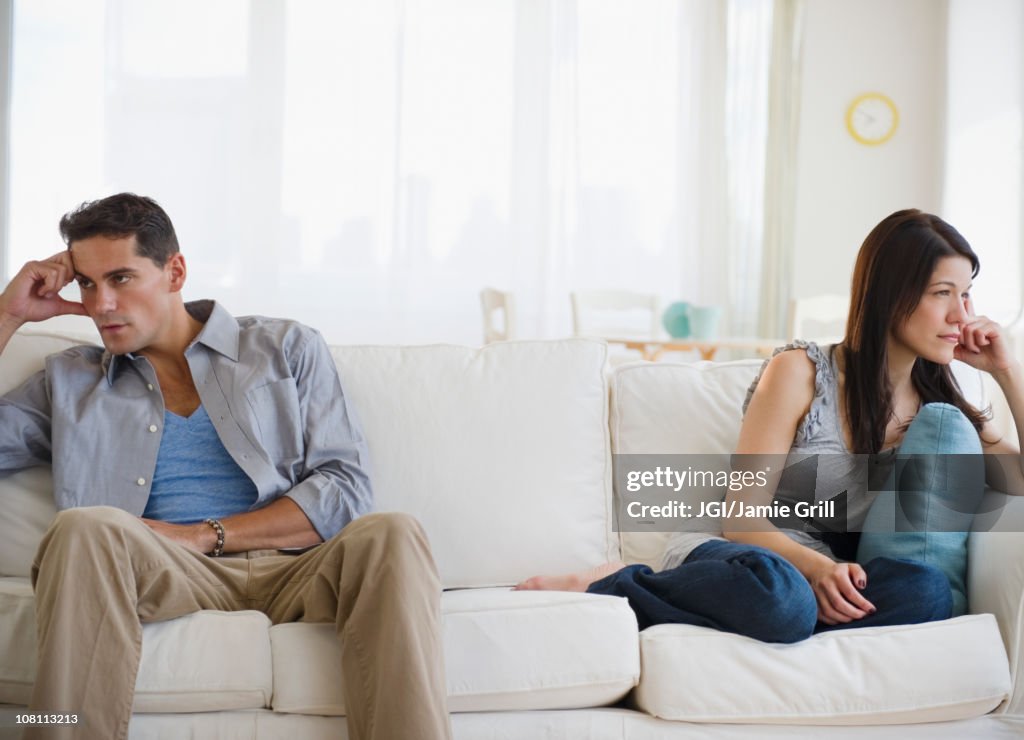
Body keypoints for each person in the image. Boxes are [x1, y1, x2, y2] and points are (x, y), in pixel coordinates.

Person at [0, 194, 452, 740]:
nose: (101, 304)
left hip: (297, 567)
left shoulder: (286, 348)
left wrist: (200, 535)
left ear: (175, 271)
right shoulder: (70, 382)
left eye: (121, 278)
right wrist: (9, 315)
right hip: (159, 569)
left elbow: (344, 489)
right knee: (83, 527)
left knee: (393, 533)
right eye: (88, 284)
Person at [517, 208, 1024, 643]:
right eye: (943, 293)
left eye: (968, 295)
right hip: (746, 557)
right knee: (782, 600)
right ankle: (616, 585)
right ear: (892, 295)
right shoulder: (801, 372)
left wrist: (1007, 370)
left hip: (825, 580)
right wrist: (816, 570)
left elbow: (1019, 484)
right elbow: (742, 519)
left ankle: (791, 621)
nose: (962, 314)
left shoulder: (941, 409)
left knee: (926, 591)